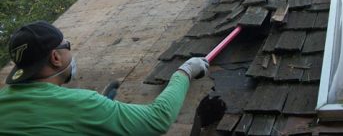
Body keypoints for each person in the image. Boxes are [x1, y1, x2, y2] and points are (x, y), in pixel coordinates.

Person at [0, 21, 209, 135]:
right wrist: (185, 72)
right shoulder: (81, 104)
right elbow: (157, 119)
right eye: (67, 46)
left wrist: (99, 108)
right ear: (56, 57)